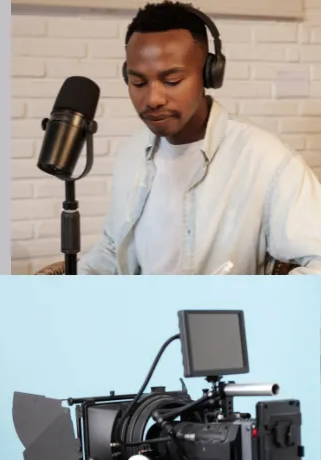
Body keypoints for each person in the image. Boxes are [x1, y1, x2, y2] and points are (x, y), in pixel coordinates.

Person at [78, 1, 321, 275]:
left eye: (171, 81)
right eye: (138, 83)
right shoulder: (131, 153)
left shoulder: (266, 160)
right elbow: (112, 247)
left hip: (220, 317)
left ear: (209, 73)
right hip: (139, 314)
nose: (153, 99)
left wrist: (259, 307)